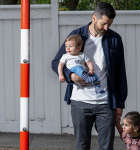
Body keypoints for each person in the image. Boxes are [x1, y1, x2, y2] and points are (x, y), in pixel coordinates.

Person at [51, 2, 127, 150]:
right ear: (94, 18)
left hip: (106, 104)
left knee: (106, 147)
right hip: (80, 103)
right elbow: (56, 62)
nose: (106, 28)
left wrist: (120, 104)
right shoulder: (77, 36)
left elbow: (120, 74)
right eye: (104, 24)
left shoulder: (114, 39)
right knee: (82, 145)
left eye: (109, 25)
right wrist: (71, 76)